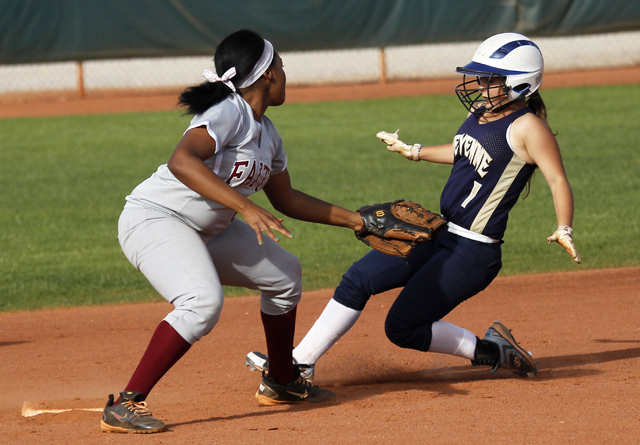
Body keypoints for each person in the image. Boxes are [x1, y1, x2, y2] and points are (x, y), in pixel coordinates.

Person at [246, 32, 581, 384]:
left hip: (472, 252)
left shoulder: (528, 126)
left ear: (519, 83)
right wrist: (415, 151)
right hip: (438, 231)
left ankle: (493, 351)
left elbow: (557, 179)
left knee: (401, 327)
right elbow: (460, 150)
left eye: (491, 79)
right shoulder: (483, 113)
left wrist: (564, 227)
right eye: (481, 76)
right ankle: (299, 362)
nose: (481, 86)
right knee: (358, 279)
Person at [100, 29, 365, 434]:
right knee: (201, 302)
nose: (283, 74)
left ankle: (281, 380)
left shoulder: (268, 133)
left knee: (283, 276)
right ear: (266, 77)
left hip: (208, 230)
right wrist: (244, 206)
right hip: (155, 219)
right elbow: (182, 162)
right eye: (280, 66)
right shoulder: (230, 110)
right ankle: (126, 403)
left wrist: (357, 221)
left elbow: (287, 199)